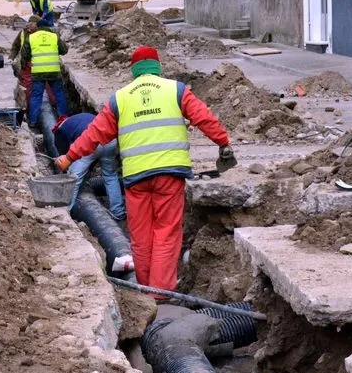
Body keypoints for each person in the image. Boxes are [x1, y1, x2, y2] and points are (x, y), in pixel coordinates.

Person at [55, 46, 235, 293]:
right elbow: (204, 118)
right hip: (169, 174)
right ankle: (160, 294)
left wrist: (69, 156)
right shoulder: (176, 90)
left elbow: (94, 134)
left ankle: (145, 290)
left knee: (140, 237)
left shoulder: (120, 98)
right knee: (166, 233)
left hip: (135, 179)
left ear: (134, 71)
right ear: (157, 68)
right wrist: (223, 142)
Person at [53, 113, 125, 220]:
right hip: (110, 141)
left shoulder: (60, 132)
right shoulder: (80, 119)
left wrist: (67, 168)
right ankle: (118, 211)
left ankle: (66, 212)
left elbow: (66, 156)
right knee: (110, 176)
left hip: (91, 141)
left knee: (74, 178)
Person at [22, 18, 69, 158]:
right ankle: (64, 118)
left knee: (36, 96)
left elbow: (25, 55)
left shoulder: (31, 37)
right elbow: (64, 50)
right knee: (59, 94)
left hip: (38, 72)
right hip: (54, 71)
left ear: (38, 27)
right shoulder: (54, 36)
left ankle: (33, 121)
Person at [9, 16, 57, 115]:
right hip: (26, 65)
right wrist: (11, 57)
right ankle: (29, 111)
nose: (29, 25)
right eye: (29, 23)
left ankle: (53, 110)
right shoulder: (23, 33)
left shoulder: (44, 34)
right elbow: (16, 46)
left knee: (49, 88)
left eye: (32, 23)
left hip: (41, 65)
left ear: (38, 25)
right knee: (28, 89)